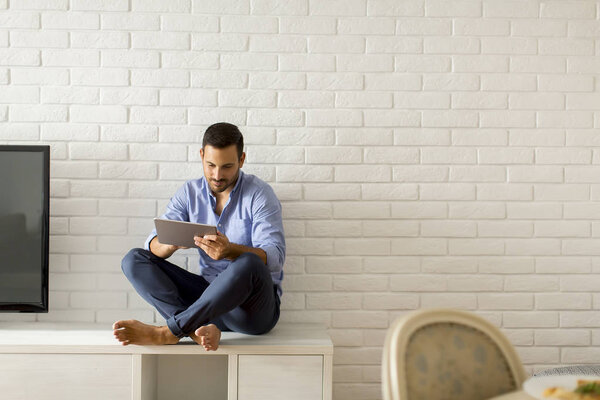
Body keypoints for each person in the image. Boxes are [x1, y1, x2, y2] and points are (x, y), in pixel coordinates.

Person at [113, 122, 285, 351]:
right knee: (134, 259)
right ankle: (194, 329)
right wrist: (168, 244)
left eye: (227, 167)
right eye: (211, 165)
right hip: (206, 300)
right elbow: (153, 243)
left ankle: (170, 332)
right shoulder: (189, 193)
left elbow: (275, 257)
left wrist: (231, 250)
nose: (217, 175)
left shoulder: (259, 194)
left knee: (249, 262)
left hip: (250, 311)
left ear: (241, 160)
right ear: (201, 155)